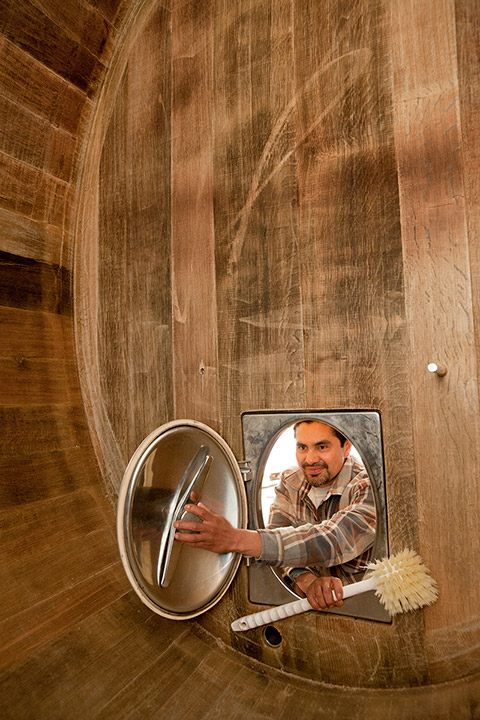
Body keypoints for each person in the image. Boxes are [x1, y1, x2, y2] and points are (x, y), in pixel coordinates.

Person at [174, 420, 376, 612]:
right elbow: (278, 538)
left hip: (358, 613)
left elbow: (333, 540)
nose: (310, 459)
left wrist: (233, 539)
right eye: (302, 447)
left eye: (322, 447)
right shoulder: (290, 481)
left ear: (346, 448)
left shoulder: (368, 487)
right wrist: (306, 579)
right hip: (300, 608)